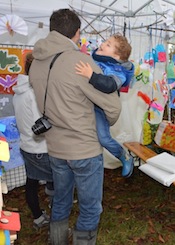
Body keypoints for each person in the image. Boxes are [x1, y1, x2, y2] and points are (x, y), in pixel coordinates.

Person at [29, 9, 121, 244]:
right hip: (84, 149)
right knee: (90, 209)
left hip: (56, 148)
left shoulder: (36, 62)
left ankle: (56, 240)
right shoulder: (79, 61)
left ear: (51, 29)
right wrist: (101, 123)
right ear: (77, 32)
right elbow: (113, 108)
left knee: (60, 200)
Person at [75, 34, 135, 178]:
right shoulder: (94, 57)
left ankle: (123, 155)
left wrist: (91, 76)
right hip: (86, 102)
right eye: (106, 42)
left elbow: (110, 85)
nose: (103, 44)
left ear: (117, 56)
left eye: (108, 45)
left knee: (103, 137)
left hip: (100, 107)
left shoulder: (118, 70)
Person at [12, 52, 54, 230]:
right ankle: (55, 216)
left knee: (32, 182)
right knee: (60, 179)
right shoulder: (34, 93)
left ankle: (38, 216)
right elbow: (43, 123)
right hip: (40, 148)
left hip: (27, 146)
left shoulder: (19, 91)